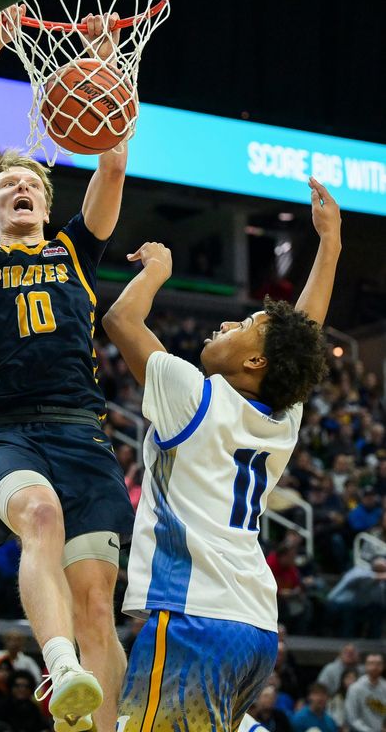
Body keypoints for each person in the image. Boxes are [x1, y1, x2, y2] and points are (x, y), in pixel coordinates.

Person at [0, 4, 134, 732]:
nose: (20, 190)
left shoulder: (74, 254)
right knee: (39, 517)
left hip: (82, 435)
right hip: (7, 434)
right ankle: (58, 665)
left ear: (47, 207)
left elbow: (112, 157)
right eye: (5, 190)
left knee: (96, 607)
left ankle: (93, 718)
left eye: (33, 189)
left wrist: (109, 51)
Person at [102, 177, 341, 731]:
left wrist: (156, 272)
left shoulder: (195, 394)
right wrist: (329, 246)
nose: (231, 321)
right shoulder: (282, 419)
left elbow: (120, 321)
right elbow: (300, 335)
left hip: (195, 618)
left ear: (256, 363)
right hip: (254, 626)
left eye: (247, 326)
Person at [345, 653, 386, 732]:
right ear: (365, 666)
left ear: (383, 666)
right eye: (371, 663)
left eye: (378, 664)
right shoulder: (355, 688)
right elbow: (352, 719)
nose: (375, 667)